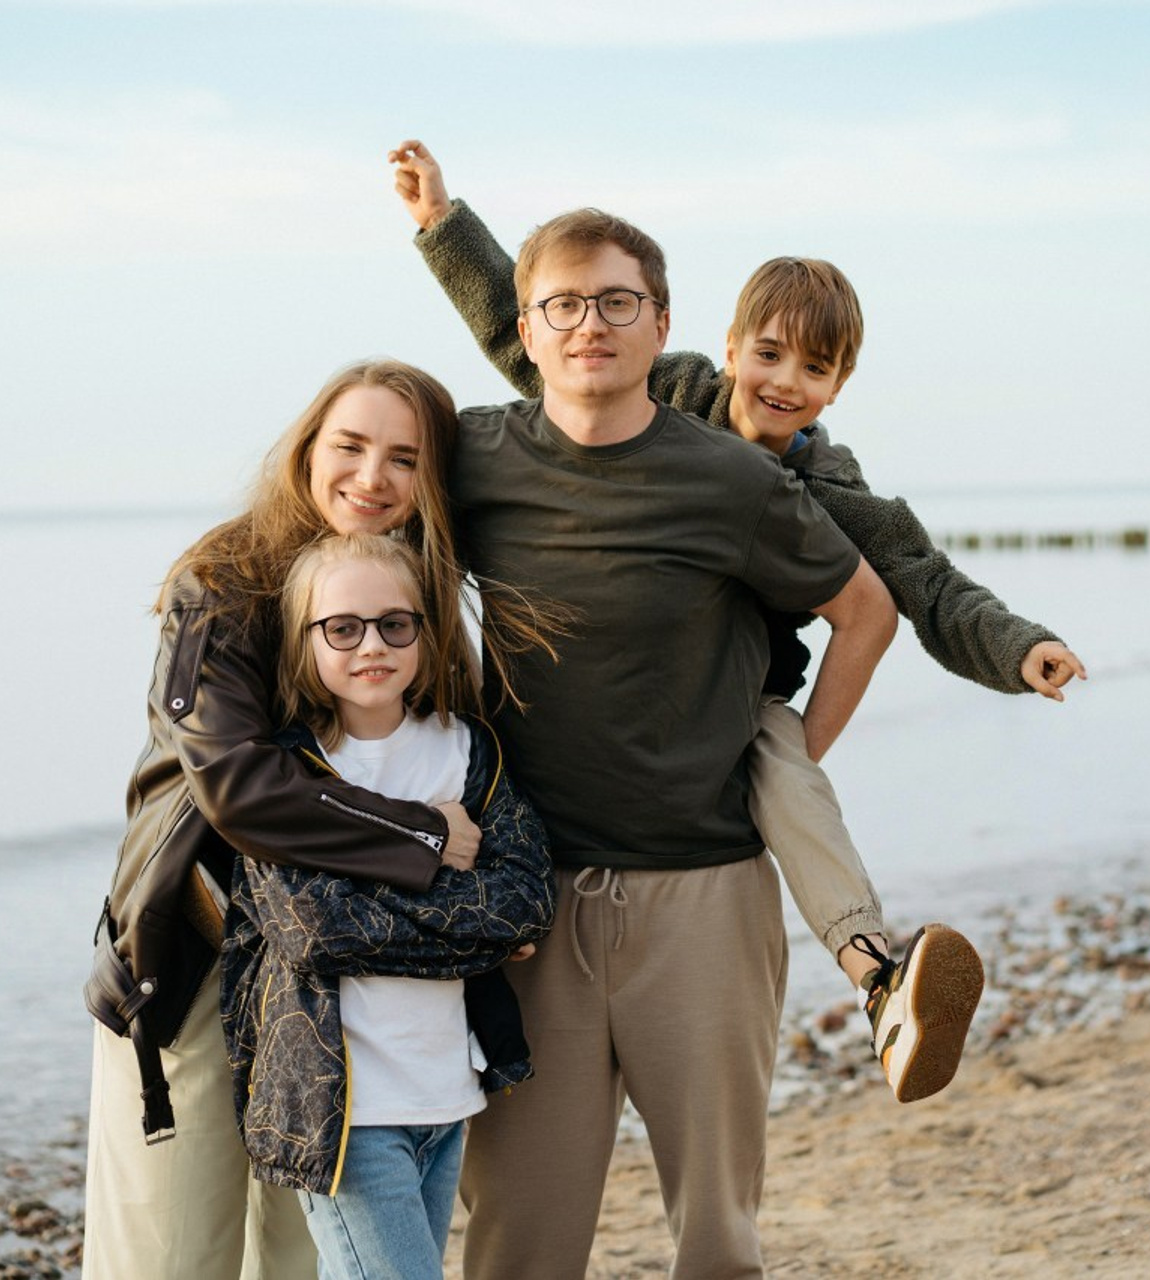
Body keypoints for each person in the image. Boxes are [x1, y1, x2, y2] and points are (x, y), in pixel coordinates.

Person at [389, 139, 1084, 1103]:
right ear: (726, 349)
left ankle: (879, 978)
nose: (784, 382)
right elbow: (532, 338)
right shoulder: (663, 393)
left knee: (780, 764)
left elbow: (921, 583)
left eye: (815, 367)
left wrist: (1020, 651)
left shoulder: (830, 487)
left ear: (839, 386)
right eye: (768, 354)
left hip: (741, 706)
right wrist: (442, 223)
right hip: (606, 732)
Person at [383, 167, 903, 1274]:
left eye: (617, 301)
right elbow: (357, 527)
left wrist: (793, 751)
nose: (590, 324)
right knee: (519, 1234)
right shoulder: (474, 455)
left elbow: (866, 609)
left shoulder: (732, 480)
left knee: (717, 1231)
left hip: (704, 898)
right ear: (526, 328)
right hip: (530, 903)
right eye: (563, 304)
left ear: (660, 323)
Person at [82, 359, 554, 1279]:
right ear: (307, 450)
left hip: (334, 1019)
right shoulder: (218, 586)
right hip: (194, 960)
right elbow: (242, 788)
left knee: (300, 1261)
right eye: (350, 446)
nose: (371, 477)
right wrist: (425, 836)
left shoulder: (405, 604)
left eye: (403, 457)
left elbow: (481, 797)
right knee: (169, 1254)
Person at [221, 531, 554, 1280]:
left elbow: (525, 898)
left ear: (423, 632)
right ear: (305, 641)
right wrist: (457, 893)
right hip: (344, 1111)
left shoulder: (467, 749)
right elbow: (314, 930)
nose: (371, 644)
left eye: (393, 624)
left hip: (447, 1090)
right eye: (342, 627)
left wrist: (383, 900)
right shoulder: (285, 774)